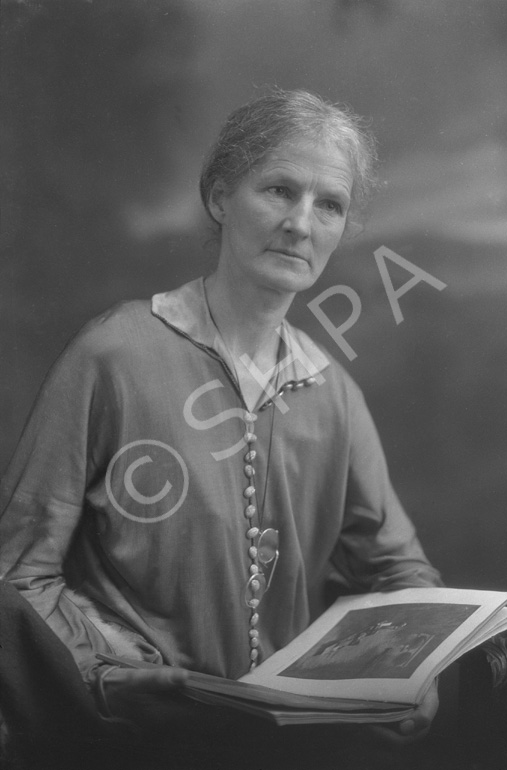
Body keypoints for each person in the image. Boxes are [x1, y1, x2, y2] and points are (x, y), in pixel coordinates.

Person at [0, 89, 442, 768]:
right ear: (219, 197)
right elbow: (17, 573)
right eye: (279, 190)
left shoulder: (334, 394)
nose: (301, 222)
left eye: (329, 204)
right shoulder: (114, 355)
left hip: (278, 750)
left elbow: (397, 569)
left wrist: (416, 667)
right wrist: (113, 672)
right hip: (122, 742)